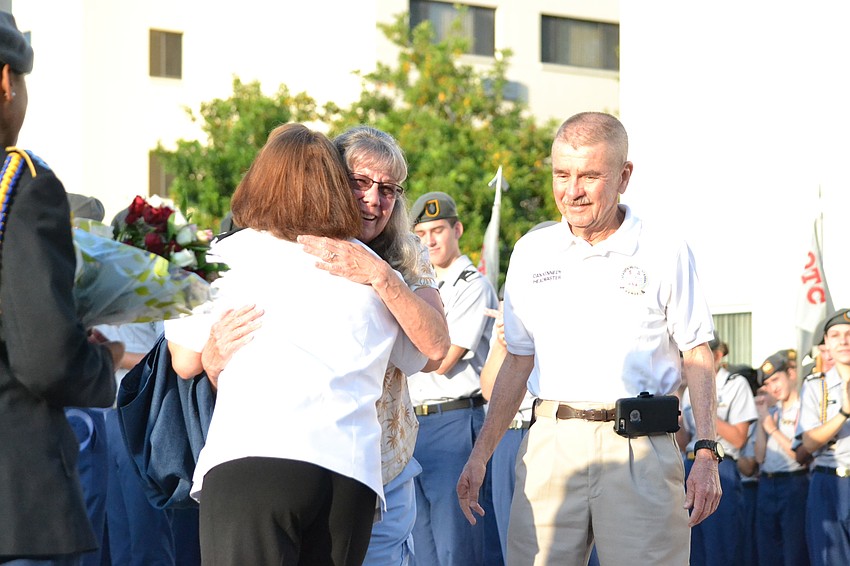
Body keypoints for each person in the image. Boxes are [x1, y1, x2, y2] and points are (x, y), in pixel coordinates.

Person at [456, 112, 721, 566]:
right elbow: (519, 360)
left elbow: (697, 352)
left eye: (589, 176)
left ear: (624, 176)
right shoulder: (531, 251)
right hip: (551, 447)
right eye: (562, 174)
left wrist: (708, 454)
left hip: (642, 450)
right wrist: (481, 454)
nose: (572, 191)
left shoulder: (665, 249)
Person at [165, 123, 429, 566]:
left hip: (253, 461)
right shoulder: (369, 270)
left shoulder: (215, 256)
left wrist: (215, 356)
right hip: (350, 475)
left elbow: (185, 361)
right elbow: (418, 354)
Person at [0, 11, 124, 565]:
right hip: (18, 502)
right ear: (6, 82)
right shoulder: (21, 186)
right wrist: (102, 362)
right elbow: (45, 358)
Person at [409, 191, 499, 565]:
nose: (430, 241)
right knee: (419, 547)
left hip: (454, 421)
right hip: (414, 422)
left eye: (438, 230)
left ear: (457, 229)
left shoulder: (470, 284)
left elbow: (442, 358)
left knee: (457, 546)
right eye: (421, 233)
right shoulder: (416, 285)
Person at [679, 338, 757, 566]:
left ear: (718, 355)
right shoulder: (686, 390)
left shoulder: (735, 383)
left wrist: (704, 409)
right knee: (693, 546)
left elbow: (739, 438)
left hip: (720, 465)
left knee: (721, 546)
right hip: (689, 465)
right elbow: (684, 441)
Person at [796, 308, 850, 566]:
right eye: (836, 335)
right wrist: (844, 413)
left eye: (849, 334)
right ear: (826, 344)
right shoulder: (816, 385)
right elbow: (808, 442)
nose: (844, 341)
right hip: (828, 481)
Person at [753, 349, 809, 566]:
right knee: (767, 550)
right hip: (767, 482)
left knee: (794, 549)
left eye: (776, 379)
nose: (773, 387)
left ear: (791, 374)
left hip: (794, 482)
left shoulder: (803, 407)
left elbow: (800, 455)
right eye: (768, 384)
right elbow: (759, 457)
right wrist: (762, 419)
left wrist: (773, 429)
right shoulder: (772, 412)